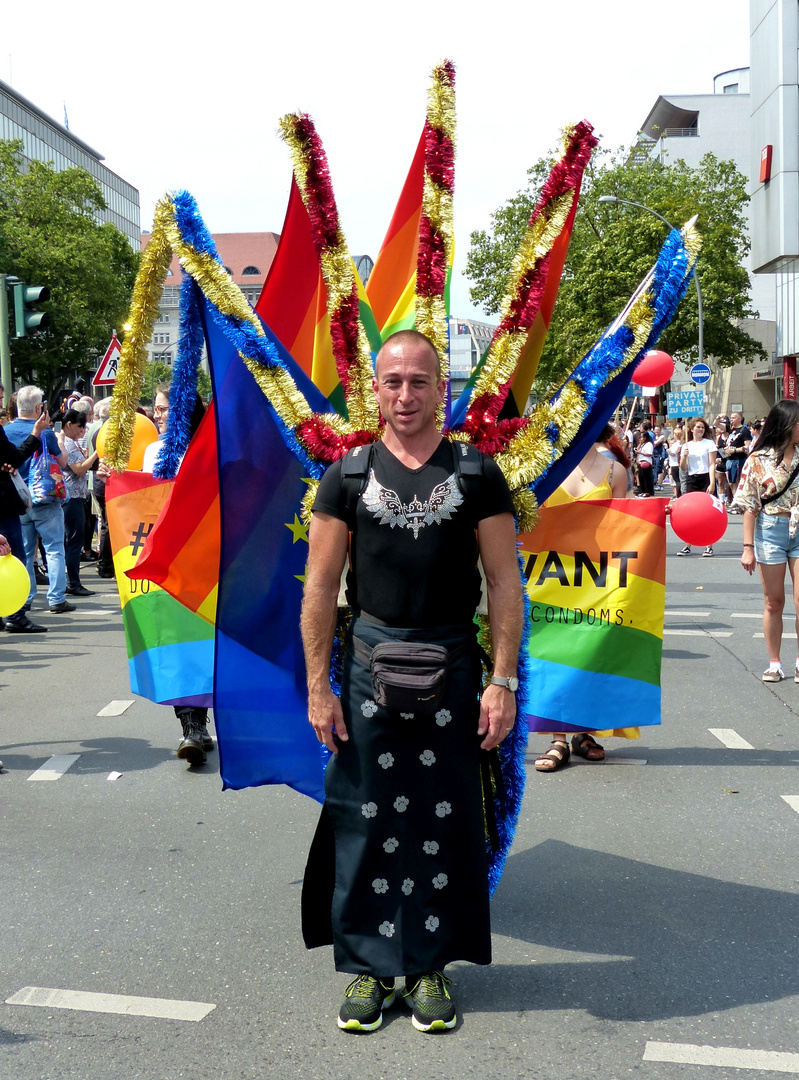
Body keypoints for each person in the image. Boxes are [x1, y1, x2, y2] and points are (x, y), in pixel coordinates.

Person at [300, 329, 523, 1034]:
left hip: (454, 664)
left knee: (441, 818)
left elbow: (502, 583)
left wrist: (502, 681)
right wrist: (317, 686)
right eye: (392, 381)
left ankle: (427, 965)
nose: (404, 395)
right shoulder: (347, 474)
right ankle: (368, 969)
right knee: (363, 816)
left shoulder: (477, 473)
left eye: (418, 381)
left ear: (441, 389)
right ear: (375, 387)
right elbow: (319, 589)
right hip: (367, 660)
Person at [533, 429, 631, 772]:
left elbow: (625, 529)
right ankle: (558, 738)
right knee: (556, 654)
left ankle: (584, 732)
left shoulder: (614, 471)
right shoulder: (543, 465)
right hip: (550, 577)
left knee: (590, 654)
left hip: (596, 580)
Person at [139, 383, 213, 765]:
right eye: (156, 408)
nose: (158, 415)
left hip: (208, 563)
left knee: (206, 644)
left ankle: (204, 722)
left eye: (165, 409)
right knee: (180, 643)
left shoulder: (212, 450)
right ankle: (192, 727)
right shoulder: (154, 451)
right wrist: (110, 479)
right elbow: (139, 502)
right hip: (169, 568)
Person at [733, 399, 799, 682]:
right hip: (770, 528)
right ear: (786, 425)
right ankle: (775, 662)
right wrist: (748, 547)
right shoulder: (758, 460)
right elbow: (750, 506)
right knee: (774, 601)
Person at [4, 386, 75, 613]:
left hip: (19, 499)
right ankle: (56, 598)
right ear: (38, 408)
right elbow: (63, 462)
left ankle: (25, 597)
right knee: (53, 548)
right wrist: (61, 442)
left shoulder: (6, 430)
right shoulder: (44, 432)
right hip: (45, 498)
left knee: (24, 552)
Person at [0, 415, 50, 633]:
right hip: (2, 505)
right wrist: (36, 433)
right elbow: (14, 458)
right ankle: (16, 614)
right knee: (13, 557)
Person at [58, 408, 99, 597]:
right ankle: (73, 582)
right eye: (79, 427)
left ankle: (70, 581)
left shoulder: (66, 442)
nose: (82, 431)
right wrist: (95, 453)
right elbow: (79, 470)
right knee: (74, 541)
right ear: (69, 425)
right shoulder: (69, 444)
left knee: (70, 541)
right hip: (72, 497)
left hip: (70, 497)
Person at [677, 418, 718, 557]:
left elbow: (712, 464)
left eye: (702, 427)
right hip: (691, 478)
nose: (700, 430)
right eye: (698, 427)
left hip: (705, 477)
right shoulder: (686, 445)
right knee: (690, 513)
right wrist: (684, 456)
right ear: (692, 429)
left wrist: (712, 483)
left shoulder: (709, 443)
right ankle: (687, 545)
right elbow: (683, 467)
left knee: (707, 513)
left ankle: (708, 546)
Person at [724, 412, 752, 510]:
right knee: (731, 483)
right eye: (730, 418)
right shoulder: (731, 430)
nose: (731, 419)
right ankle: (736, 501)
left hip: (739, 460)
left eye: (734, 418)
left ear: (739, 419)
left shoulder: (744, 430)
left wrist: (734, 450)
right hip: (729, 459)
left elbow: (747, 447)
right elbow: (717, 425)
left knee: (738, 482)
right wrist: (720, 418)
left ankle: (738, 503)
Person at [633, 421, 655, 497]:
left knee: (646, 478)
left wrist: (641, 453)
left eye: (642, 437)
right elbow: (637, 450)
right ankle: (642, 491)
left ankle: (648, 491)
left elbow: (650, 454)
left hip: (646, 462)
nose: (640, 438)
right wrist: (640, 444)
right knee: (641, 477)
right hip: (640, 462)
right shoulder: (643, 444)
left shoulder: (649, 444)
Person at [666, 425, 684, 496]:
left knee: (677, 480)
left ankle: (678, 495)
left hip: (675, 464)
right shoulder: (680, 443)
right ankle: (678, 494)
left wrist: (667, 449)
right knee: (677, 480)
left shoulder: (677, 444)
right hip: (674, 463)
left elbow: (673, 453)